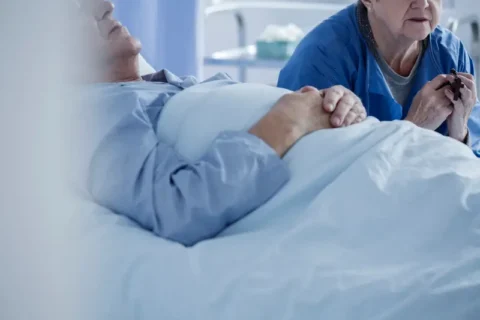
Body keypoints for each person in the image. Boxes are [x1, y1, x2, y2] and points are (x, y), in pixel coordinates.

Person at [74, 0, 367, 246]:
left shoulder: (165, 86)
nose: (105, 6)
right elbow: (178, 208)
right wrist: (287, 120)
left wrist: (333, 102)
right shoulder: (94, 115)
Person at [278, 0, 480, 148]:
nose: (423, 3)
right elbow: (315, 178)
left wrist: (460, 134)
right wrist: (414, 128)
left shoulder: (451, 54)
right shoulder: (321, 59)